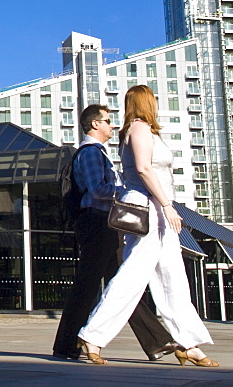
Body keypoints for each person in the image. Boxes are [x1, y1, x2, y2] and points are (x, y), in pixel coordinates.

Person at [77, 86, 218, 367]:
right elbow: (143, 168)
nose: (156, 103)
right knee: (132, 275)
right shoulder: (139, 128)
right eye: (153, 99)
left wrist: (167, 207)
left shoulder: (145, 130)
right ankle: (92, 336)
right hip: (148, 209)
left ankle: (189, 342)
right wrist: (167, 205)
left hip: (158, 211)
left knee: (172, 278)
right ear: (145, 102)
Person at [52, 103, 178, 361]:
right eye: (108, 121)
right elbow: (97, 189)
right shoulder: (90, 153)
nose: (112, 126)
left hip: (103, 223)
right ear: (95, 124)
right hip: (97, 223)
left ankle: (156, 341)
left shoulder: (100, 152)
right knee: (90, 285)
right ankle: (67, 345)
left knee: (121, 283)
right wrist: (127, 193)